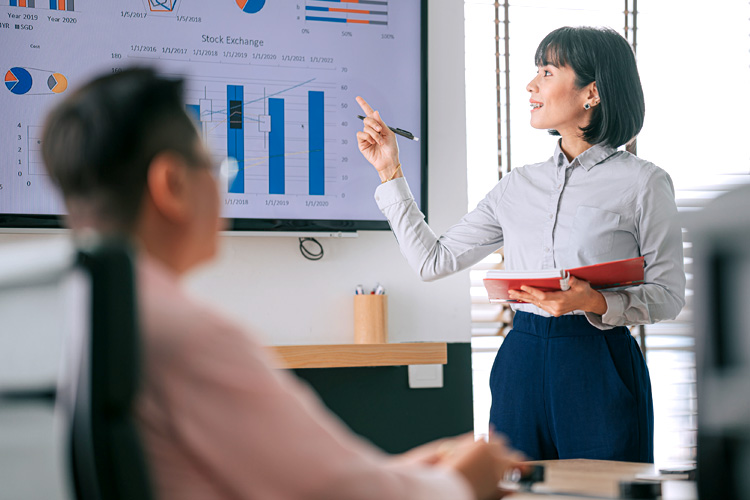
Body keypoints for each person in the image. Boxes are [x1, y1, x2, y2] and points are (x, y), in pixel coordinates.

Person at [41, 68, 526, 500]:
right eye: (212, 166)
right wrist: (464, 480)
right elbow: (340, 492)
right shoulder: (190, 336)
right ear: (171, 184)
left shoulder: (81, 311)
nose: (221, 185)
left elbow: (316, 478)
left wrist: (400, 473)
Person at [356, 26, 686, 463]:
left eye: (547, 72)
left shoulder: (644, 182)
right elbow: (432, 261)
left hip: (599, 362)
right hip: (521, 360)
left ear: (592, 93)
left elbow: (668, 296)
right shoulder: (517, 185)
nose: (531, 85)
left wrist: (596, 302)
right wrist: (390, 173)